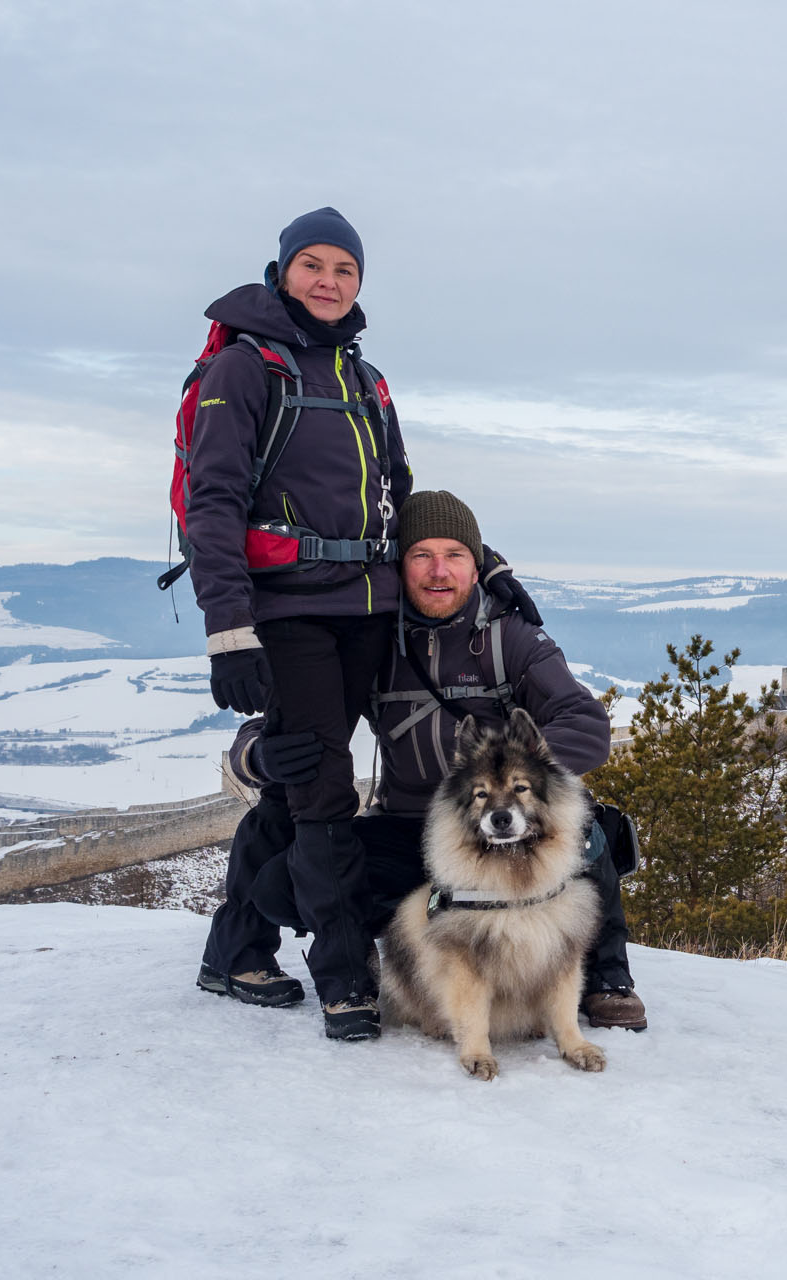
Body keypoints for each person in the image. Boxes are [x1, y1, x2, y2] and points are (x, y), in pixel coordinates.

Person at [187, 210, 539, 1039]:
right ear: (280, 273)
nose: (328, 281)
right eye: (312, 265)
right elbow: (213, 503)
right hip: (290, 612)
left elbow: (408, 503)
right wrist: (229, 630)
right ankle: (345, 976)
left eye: (345, 270)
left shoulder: (365, 379)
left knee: (293, 780)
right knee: (323, 792)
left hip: (369, 609)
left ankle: (233, 949)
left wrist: (489, 570)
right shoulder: (243, 370)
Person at [201, 492, 648, 1033]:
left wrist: (510, 775)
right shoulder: (370, 641)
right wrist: (260, 755)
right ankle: (349, 954)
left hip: (502, 832)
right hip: (409, 832)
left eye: (455, 555)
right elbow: (273, 725)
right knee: (284, 875)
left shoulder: (511, 638)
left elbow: (586, 725)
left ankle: (607, 978)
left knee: (592, 834)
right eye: (422, 555)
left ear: (476, 563)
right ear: (398, 565)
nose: (440, 571)